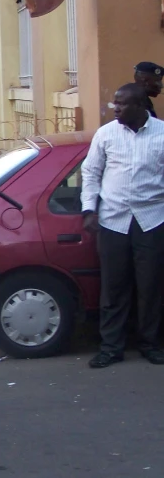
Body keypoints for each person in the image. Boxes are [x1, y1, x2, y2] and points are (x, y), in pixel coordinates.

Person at [81, 83, 164, 369]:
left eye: (123, 104)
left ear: (140, 106)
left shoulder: (162, 135)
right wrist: (89, 209)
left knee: (150, 287)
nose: (115, 108)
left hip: (152, 220)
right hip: (113, 221)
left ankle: (151, 344)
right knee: (113, 288)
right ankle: (111, 347)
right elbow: (90, 173)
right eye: (115, 103)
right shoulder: (105, 135)